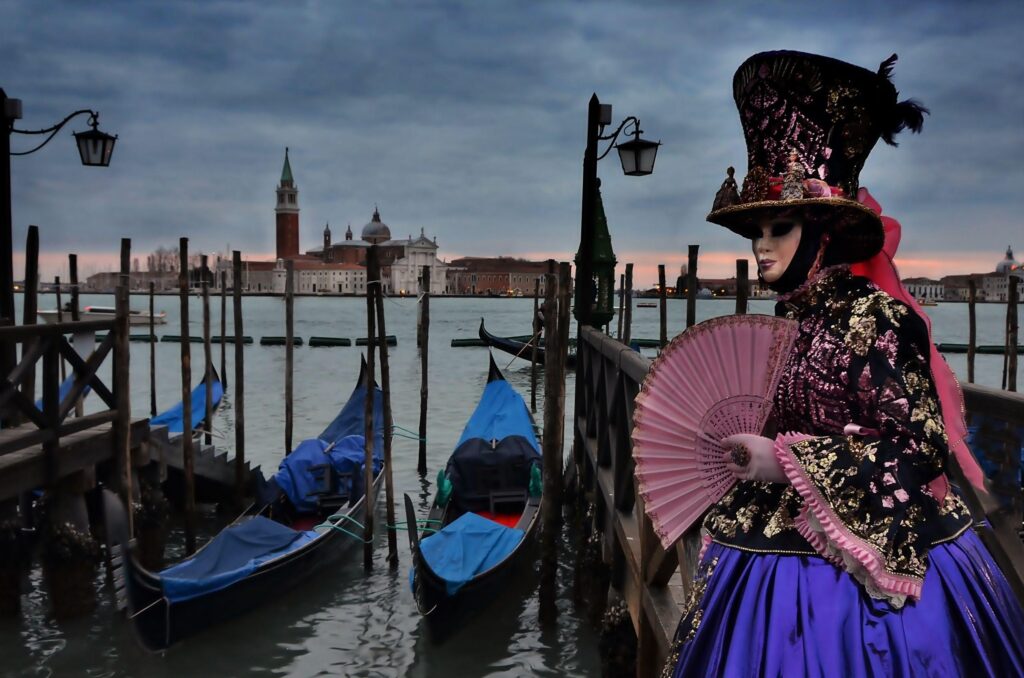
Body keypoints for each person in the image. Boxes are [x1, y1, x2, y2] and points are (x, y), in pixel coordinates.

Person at [664, 50, 1024, 677]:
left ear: (823, 232)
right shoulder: (792, 323)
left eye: (779, 228)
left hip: (866, 578)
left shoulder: (879, 319)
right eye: (755, 233)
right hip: (771, 547)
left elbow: (918, 448)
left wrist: (785, 461)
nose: (761, 247)